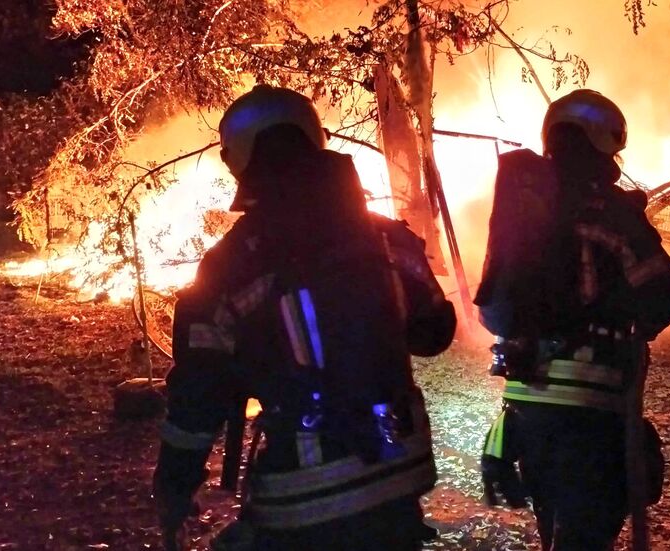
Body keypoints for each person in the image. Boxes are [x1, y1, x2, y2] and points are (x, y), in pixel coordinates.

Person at [152, 85, 456, 551]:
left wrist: (174, 484)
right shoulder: (388, 238)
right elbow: (435, 332)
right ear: (315, 139)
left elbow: (198, 394)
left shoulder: (230, 264)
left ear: (239, 158)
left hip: (302, 498)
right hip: (399, 477)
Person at [474, 89, 670, 551]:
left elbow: (496, 310)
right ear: (602, 140)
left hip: (526, 413)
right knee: (587, 535)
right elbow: (665, 298)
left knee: (555, 530)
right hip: (594, 414)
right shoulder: (610, 211)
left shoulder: (523, 207)